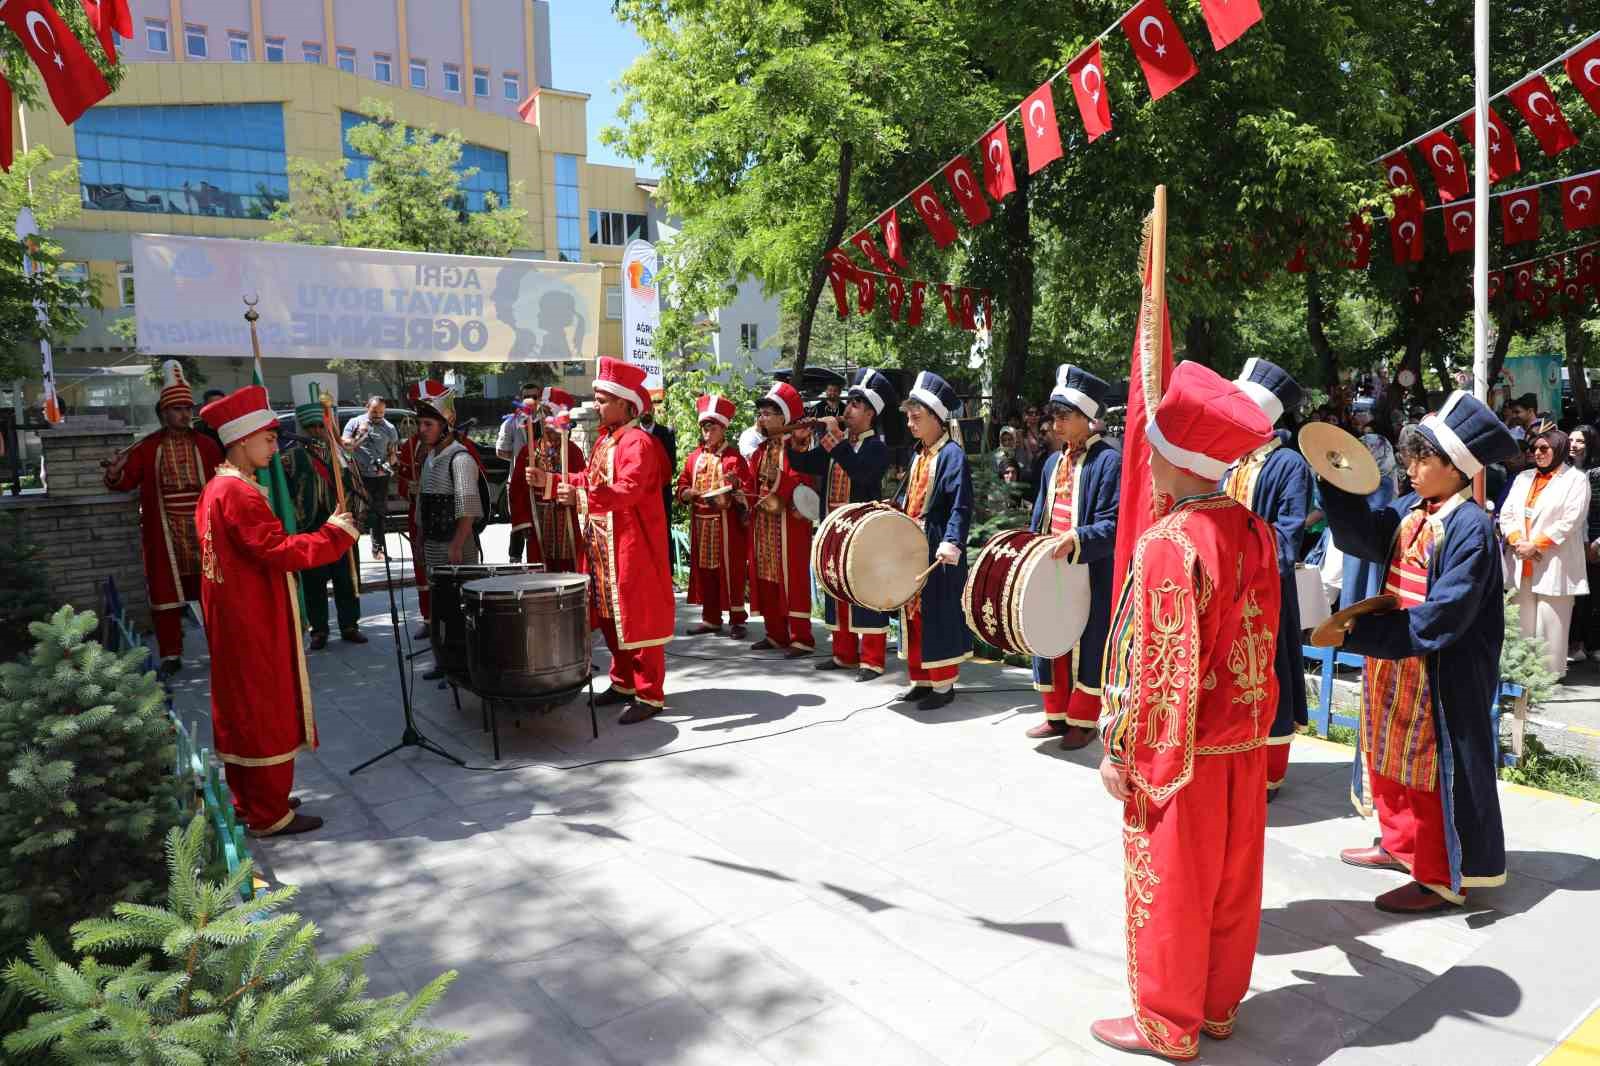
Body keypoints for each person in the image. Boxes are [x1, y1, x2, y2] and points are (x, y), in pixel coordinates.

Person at [1092, 361, 1282, 1061]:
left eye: (1154, 446)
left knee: (1174, 884)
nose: (1146, 456)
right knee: (1231, 885)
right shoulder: (1256, 530)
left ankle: (1168, 1023)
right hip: (1244, 742)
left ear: (1176, 457)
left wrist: (1124, 751)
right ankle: (1217, 1006)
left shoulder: (1171, 542)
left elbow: (1160, 668)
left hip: (1187, 752)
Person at [1322, 391, 1515, 916]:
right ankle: (1398, 844)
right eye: (1409, 457)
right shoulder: (1413, 509)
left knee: (1433, 772)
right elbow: (1367, 535)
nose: (1409, 468)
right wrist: (1335, 481)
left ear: (1455, 468)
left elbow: (1445, 615)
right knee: (1388, 756)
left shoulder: (1471, 527)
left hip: (1438, 670)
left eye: (1421, 458)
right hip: (1397, 660)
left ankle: (1438, 877)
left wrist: (1358, 635)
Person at [195, 385, 359, 837]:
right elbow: (276, 550)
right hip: (252, 619)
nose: (274, 445)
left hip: (237, 617)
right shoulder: (239, 495)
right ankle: (269, 814)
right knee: (264, 709)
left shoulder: (218, 488)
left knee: (244, 708)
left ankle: (252, 800)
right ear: (243, 439)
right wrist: (334, 534)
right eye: (268, 438)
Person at [529, 358, 674, 723]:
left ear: (626, 404)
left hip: (631, 545)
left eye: (604, 398)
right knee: (610, 616)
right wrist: (548, 482)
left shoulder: (638, 442)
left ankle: (649, 694)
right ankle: (624, 681)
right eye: (597, 397)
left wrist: (579, 496)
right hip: (602, 544)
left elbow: (626, 490)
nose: (597, 405)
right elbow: (587, 479)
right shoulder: (607, 440)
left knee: (637, 617)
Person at [1221, 357, 1313, 799]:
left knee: (1269, 673)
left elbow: (1287, 534)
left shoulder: (1288, 465)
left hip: (1265, 592)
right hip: (1224, 590)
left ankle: (1271, 769)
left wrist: (1244, 564)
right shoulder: (1229, 460)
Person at [102, 360, 223, 676]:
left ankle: (223, 647)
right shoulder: (147, 447)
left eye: (188, 407)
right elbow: (125, 481)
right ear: (163, 413)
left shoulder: (208, 445)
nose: (185, 413)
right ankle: (171, 653)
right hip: (165, 532)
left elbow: (224, 484)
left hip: (203, 530)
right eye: (177, 408)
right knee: (166, 593)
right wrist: (116, 472)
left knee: (214, 590)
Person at [1026, 364, 1120, 750]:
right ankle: (1055, 714)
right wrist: (1031, 547)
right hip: (1052, 566)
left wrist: (1077, 538)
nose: (1056, 424)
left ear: (1088, 419)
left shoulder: (1108, 462)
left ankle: (1083, 719)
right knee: (1049, 635)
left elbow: (1113, 524)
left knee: (1088, 640)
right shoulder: (1052, 462)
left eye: (1065, 417)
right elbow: (1040, 514)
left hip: (1089, 567)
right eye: (1054, 417)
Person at [790, 368, 897, 679]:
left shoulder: (875, 447)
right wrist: (795, 443)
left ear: (869, 413)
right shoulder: (839, 443)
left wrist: (832, 438)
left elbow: (861, 473)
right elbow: (805, 463)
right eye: (848, 403)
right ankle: (843, 655)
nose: (846, 410)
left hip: (863, 534)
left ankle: (872, 659)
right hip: (834, 530)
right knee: (836, 591)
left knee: (866, 593)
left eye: (854, 405)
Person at [895, 371, 973, 710]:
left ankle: (943, 686)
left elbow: (961, 504)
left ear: (937, 419)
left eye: (917, 418)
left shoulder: (952, 455)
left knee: (937, 613)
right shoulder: (919, 454)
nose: (911, 424)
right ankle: (921, 678)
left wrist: (951, 543)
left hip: (938, 544)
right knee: (913, 613)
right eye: (909, 418)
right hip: (913, 543)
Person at [1500, 421, 1591, 681]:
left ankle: (1546, 681)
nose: (1537, 453)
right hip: (1521, 558)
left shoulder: (1575, 480)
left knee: (1551, 623)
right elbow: (1506, 514)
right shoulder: (1523, 478)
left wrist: (1536, 545)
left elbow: (1571, 521)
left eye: (1544, 448)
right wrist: (1518, 540)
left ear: (1559, 450)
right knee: (1521, 623)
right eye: (1535, 448)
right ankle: (1518, 676)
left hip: (1555, 561)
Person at [394, 380, 484, 640]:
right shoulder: (430, 458)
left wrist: (457, 544)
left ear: (445, 425)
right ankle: (444, 660)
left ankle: (462, 664)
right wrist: (421, 537)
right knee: (442, 607)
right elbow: (422, 504)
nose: (421, 430)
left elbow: (468, 506)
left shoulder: (460, 457)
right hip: (433, 541)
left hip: (455, 544)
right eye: (419, 423)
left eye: (428, 424)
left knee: (460, 607)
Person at [284, 401, 368, 650]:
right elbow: (284, 495)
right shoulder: (290, 457)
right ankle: (318, 630)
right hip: (310, 526)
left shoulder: (342, 455)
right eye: (311, 426)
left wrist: (359, 521)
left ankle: (350, 625)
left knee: (346, 578)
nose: (316, 431)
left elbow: (358, 487)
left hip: (341, 525)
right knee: (313, 582)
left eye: (321, 425)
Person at [746, 381, 817, 657]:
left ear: (783, 417)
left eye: (767, 413)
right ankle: (775, 633)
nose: (761, 418)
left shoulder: (798, 446)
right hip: (764, 522)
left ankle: (801, 637)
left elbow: (805, 484)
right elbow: (751, 481)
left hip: (789, 523)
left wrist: (781, 481)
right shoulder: (763, 449)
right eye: (761, 413)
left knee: (793, 577)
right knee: (767, 576)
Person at [677, 394, 754, 638]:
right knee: (705, 570)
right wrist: (687, 493)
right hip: (701, 524)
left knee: (730, 571)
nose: (707, 432)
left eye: (712, 427)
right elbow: (681, 485)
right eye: (704, 427)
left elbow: (748, 489)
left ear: (723, 429)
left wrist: (736, 486)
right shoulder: (693, 457)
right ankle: (710, 619)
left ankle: (737, 620)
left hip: (726, 523)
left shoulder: (734, 458)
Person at [507, 387, 587, 573]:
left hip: (566, 520)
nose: (546, 421)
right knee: (541, 571)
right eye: (543, 415)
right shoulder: (528, 452)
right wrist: (525, 522)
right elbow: (517, 490)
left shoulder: (573, 452)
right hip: (539, 522)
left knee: (570, 572)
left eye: (550, 415)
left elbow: (582, 482)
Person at [340, 395, 398, 562]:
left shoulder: (389, 428)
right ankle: (351, 553)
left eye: (381, 412)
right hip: (358, 476)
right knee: (357, 513)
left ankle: (378, 549)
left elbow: (393, 454)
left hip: (379, 477)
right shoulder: (355, 423)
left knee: (378, 514)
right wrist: (360, 436)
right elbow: (345, 446)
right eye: (374, 411)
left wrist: (386, 465)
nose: (378, 416)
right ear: (367, 407)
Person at [497, 381, 544, 562]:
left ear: (540, 398)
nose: (530, 400)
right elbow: (500, 451)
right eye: (526, 396)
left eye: (534, 396)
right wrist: (521, 459)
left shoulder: (547, 419)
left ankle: (540, 560)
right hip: (518, 481)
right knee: (518, 522)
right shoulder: (512, 421)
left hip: (542, 480)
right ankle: (515, 560)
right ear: (520, 398)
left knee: (541, 523)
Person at [1570, 425, 1600, 662]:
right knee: (1577, 596)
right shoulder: (1566, 471)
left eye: (1579, 441)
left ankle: (1593, 644)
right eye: (1570, 440)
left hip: (1594, 543)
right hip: (1572, 541)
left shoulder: (1597, 473)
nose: (1573, 445)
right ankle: (1576, 643)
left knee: (1594, 595)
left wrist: (1594, 542)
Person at [639, 406, 678, 539]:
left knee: (663, 534)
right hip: (639, 495)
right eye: (642, 410)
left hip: (662, 493)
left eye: (648, 409)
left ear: (653, 410)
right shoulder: (632, 433)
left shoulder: (667, 432)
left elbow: (672, 464)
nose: (646, 413)